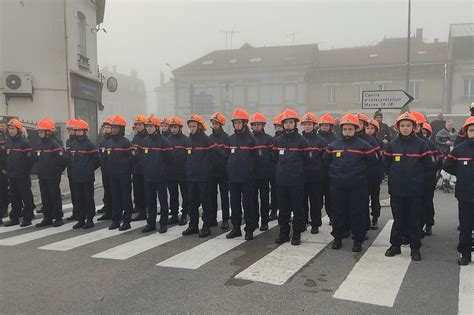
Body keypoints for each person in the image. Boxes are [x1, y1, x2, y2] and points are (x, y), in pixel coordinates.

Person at [384, 112, 434, 261]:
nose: (405, 128)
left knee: (414, 219)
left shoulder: (421, 145)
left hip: (415, 190)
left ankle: (415, 248)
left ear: (414, 127)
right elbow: (386, 165)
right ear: (397, 128)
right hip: (397, 190)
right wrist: (395, 177)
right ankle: (395, 245)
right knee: (398, 219)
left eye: (408, 126)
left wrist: (419, 182)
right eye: (402, 126)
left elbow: (429, 166)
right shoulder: (392, 145)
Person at [325, 113, 378, 252]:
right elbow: (326, 162)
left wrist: (363, 177)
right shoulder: (333, 146)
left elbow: (373, 164)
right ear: (341, 130)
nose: (347, 132)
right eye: (345, 129)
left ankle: (358, 240)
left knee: (357, 212)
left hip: (357, 186)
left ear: (355, 129)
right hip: (337, 185)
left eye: (350, 129)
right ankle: (337, 238)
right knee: (338, 212)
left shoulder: (364, 146)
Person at [274, 109, 308, 246]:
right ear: (283, 124)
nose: (288, 125)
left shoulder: (301, 141)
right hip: (281, 181)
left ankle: (297, 234)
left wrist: (299, 174)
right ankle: (283, 233)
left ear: (295, 124)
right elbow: (274, 158)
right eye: (286, 123)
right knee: (283, 210)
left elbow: (306, 160)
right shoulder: (278, 141)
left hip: (296, 181)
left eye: (290, 122)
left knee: (297, 209)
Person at [182, 114, 219, 237]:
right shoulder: (187, 141)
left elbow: (218, 154)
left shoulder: (206, 140)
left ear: (199, 127)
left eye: (194, 126)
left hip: (204, 178)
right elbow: (185, 158)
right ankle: (193, 225)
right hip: (191, 177)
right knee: (192, 202)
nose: (191, 128)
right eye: (190, 126)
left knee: (205, 202)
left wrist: (209, 169)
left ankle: (206, 226)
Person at [443, 116, 474, 265]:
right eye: (471, 130)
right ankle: (465, 253)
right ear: (466, 132)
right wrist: (461, 174)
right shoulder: (459, 149)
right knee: (466, 226)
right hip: (465, 194)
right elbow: (448, 165)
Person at [226, 108, 257, 240]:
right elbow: (226, 157)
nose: (237, 125)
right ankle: (236, 228)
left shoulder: (251, 139)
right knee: (234, 203)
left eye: (239, 122)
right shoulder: (231, 139)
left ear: (244, 123)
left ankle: (249, 229)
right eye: (235, 123)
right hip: (233, 178)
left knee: (248, 204)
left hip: (247, 178)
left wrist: (251, 172)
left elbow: (256, 159)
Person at [140, 115, 172, 233]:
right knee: (150, 201)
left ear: (156, 127)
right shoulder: (144, 141)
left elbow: (170, 159)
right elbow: (141, 157)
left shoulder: (164, 141)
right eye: (147, 126)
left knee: (163, 201)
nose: (148, 128)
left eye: (151, 126)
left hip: (161, 177)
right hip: (148, 177)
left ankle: (163, 223)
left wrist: (163, 171)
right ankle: (151, 223)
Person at [104, 115, 135, 231]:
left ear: (121, 129)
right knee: (115, 198)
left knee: (125, 198)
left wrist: (127, 171)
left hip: (124, 175)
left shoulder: (127, 143)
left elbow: (133, 159)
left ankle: (127, 221)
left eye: (116, 127)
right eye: (112, 127)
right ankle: (115, 220)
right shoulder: (108, 143)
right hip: (112, 175)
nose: (113, 129)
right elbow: (105, 158)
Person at [34, 118, 66, 228]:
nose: (39, 133)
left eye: (41, 131)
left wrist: (57, 171)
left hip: (52, 175)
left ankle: (58, 217)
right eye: (39, 131)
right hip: (42, 175)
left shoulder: (54, 144)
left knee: (54, 196)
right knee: (45, 196)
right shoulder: (39, 144)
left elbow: (62, 160)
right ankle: (47, 217)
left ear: (48, 132)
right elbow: (36, 159)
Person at [69, 120, 100, 229]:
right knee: (79, 199)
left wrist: (89, 169)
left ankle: (90, 219)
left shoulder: (90, 145)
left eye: (80, 131)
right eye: (76, 131)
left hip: (87, 177)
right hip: (76, 177)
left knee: (88, 198)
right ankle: (81, 219)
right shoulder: (73, 145)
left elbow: (97, 160)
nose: (77, 133)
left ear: (85, 131)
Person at [4, 119, 34, 227]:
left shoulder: (24, 142)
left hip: (22, 175)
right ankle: (15, 218)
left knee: (25, 197)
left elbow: (30, 159)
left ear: (18, 130)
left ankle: (28, 217)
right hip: (12, 175)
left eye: (13, 129)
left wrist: (25, 171)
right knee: (14, 197)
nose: (11, 131)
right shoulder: (8, 142)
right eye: (10, 129)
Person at [300, 112, 327, 234]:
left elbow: (325, 159)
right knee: (302, 201)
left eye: (309, 124)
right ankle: (304, 221)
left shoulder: (320, 141)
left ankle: (315, 223)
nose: (307, 127)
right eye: (305, 124)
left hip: (316, 176)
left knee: (315, 201)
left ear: (313, 125)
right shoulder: (299, 139)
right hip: (301, 175)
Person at [250, 112, 274, 231]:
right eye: (254, 125)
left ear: (263, 125)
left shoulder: (269, 139)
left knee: (264, 200)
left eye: (258, 125)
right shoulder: (249, 138)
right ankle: (254, 221)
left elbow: (273, 157)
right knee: (252, 199)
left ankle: (264, 221)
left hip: (264, 174)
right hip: (252, 175)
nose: (256, 127)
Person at [208, 112, 230, 230]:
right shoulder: (210, 138)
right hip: (212, 172)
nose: (215, 125)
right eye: (213, 123)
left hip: (223, 171)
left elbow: (228, 156)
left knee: (224, 196)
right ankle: (213, 218)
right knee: (212, 195)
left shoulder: (226, 138)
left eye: (217, 123)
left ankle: (225, 219)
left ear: (221, 124)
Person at [420, 122, 443, 236]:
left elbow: (440, 159)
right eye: (422, 132)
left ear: (428, 134)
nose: (423, 135)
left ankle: (429, 223)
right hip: (416, 178)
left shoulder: (432, 145)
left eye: (425, 133)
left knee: (427, 202)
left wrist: (434, 171)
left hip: (428, 178)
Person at [167, 116, 189, 225]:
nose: (173, 129)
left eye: (175, 127)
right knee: (173, 195)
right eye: (172, 127)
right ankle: (174, 215)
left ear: (180, 128)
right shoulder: (168, 140)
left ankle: (184, 215)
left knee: (185, 195)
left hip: (183, 172)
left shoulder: (185, 140)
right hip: (171, 173)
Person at [317, 114, 338, 224]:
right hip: (317, 172)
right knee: (317, 198)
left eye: (326, 125)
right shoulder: (316, 137)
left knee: (330, 198)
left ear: (331, 126)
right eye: (323, 125)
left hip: (330, 173)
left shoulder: (335, 139)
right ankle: (316, 217)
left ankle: (331, 216)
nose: (324, 127)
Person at [365, 118, 385, 230]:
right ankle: (365, 218)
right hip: (363, 174)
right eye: (367, 128)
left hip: (375, 174)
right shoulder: (361, 140)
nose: (369, 130)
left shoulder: (379, 142)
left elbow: (382, 158)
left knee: (375, 198)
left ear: (376, 130)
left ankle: (375, 217)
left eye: (371, 128)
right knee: (364, 198)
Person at [131, 115, 148, 221]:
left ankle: (144, 210)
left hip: (145, 169)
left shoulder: (147, 137)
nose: (138, 126)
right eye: (136, 125)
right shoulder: (136, 137)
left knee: (145, 191)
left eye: (140, 124)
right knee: (137, 190)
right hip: (136, 169)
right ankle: (138, 207)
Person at [269, 113, 284, 221]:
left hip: (286, 171)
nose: (278, 128)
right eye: (277, 126)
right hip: (274, 171)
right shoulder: (272, 140)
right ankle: (273, 211)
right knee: (274, 193)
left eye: (280, 126)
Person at [97, 118, 113, 221]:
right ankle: (107, 208)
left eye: (108, 127)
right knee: (107, 190)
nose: (106, 129)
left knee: (113, 191)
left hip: (113, 171)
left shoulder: (113, 141)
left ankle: (114, 210)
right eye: (105, 128)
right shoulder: (102, 141)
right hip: (105, 170)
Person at [65, 119, 78, 221]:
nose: (70, 131)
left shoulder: (78, 141)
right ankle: (76, 212)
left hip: (79, 171)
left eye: (71, 129)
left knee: (80, 194)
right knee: (74, 193)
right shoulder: (68, 141)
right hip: (71, 171)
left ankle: (83, 212)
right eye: (68, 129)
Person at [0, 116, 9, 224]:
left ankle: (5, 208)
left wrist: (6, 168)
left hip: (5, 169)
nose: (1, 127)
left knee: (4, 190)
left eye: (3, 126)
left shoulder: (7, 138)